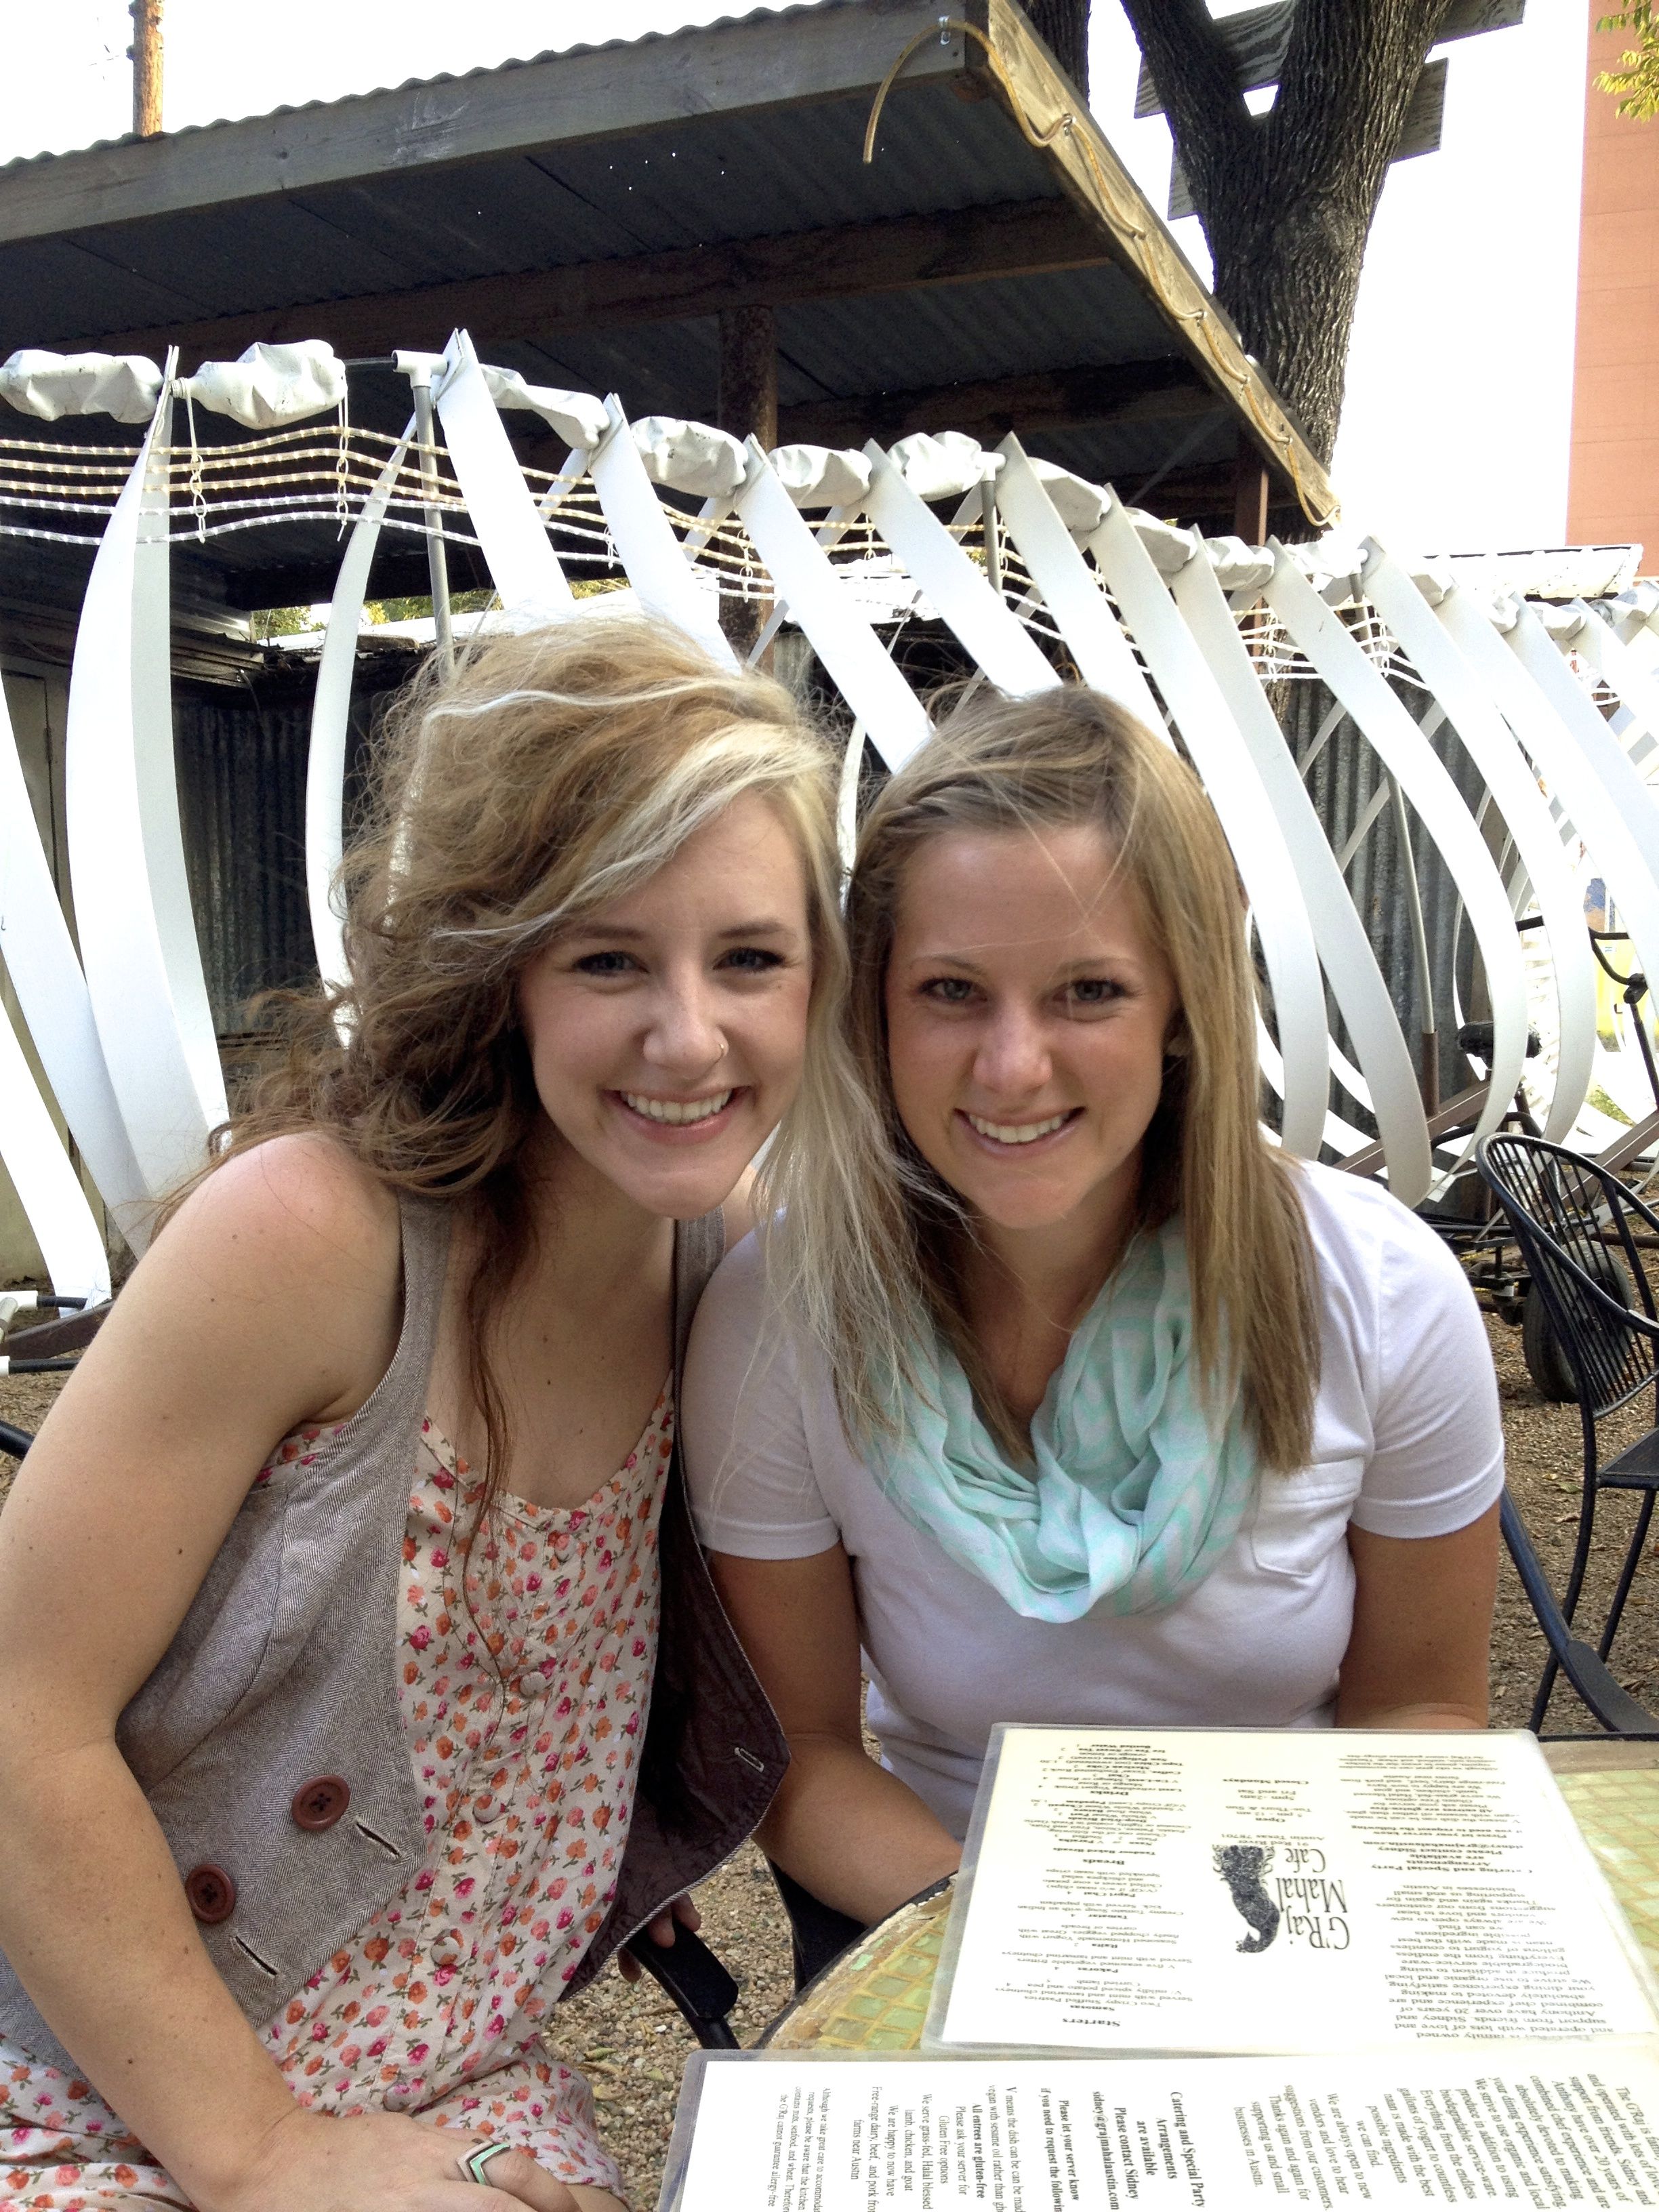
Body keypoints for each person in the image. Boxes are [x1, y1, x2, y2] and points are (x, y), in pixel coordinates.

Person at [0, 617, 843, 2212]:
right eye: (608, 958)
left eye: (749, 959)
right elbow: (20, 1717)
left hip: (455, 2072)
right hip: (104, 2086)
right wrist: (258, 2151)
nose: (689, 1035)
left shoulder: (723, 1270)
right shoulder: (313, 1240)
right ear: (493, 967)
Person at [683, 684, 1505, 1933]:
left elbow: (1422, 1713)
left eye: (1089, 991)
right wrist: (1038, 1955)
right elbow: (801, 1752)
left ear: (1182, 1008)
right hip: (938, 1914)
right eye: (951, 991)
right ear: (876, 1009)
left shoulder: (1384, 1293)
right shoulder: (779, 1321)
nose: (1014, 1067)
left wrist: (1253, 1943)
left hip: (1289, 1916)